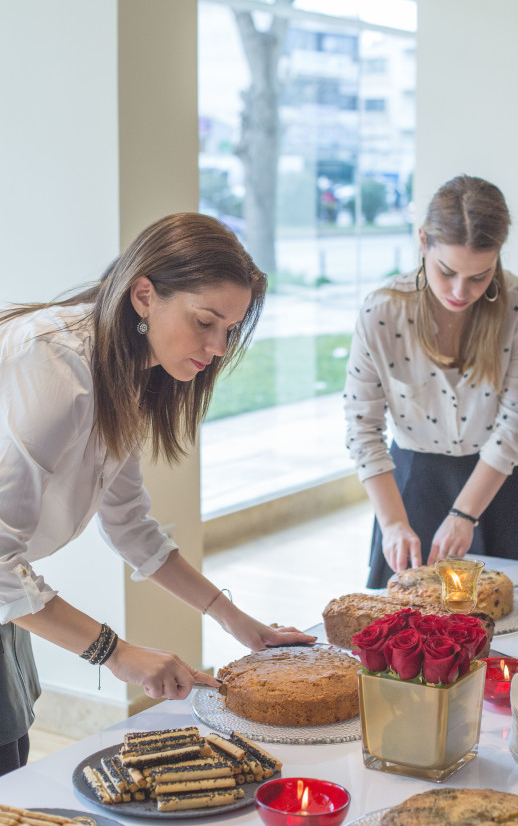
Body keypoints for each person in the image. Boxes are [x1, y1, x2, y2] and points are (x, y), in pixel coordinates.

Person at [0, 212, 314, 776]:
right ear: (144, 294)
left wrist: (238, 622)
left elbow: (130, 527)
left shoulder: (127, 375)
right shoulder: (53, 366)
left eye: (231, 330)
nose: (219, 347)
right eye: (205, 322)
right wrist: (117, 654)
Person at [343, 174, 518, 588]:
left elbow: (517, 422)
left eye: (480, 276)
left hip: (503, 480)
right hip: (414, 487)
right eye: (446, 271)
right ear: (423, 241)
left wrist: (465, 514)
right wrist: (393, 523)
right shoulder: (381, 314)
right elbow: (362, 426)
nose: (460, 291)